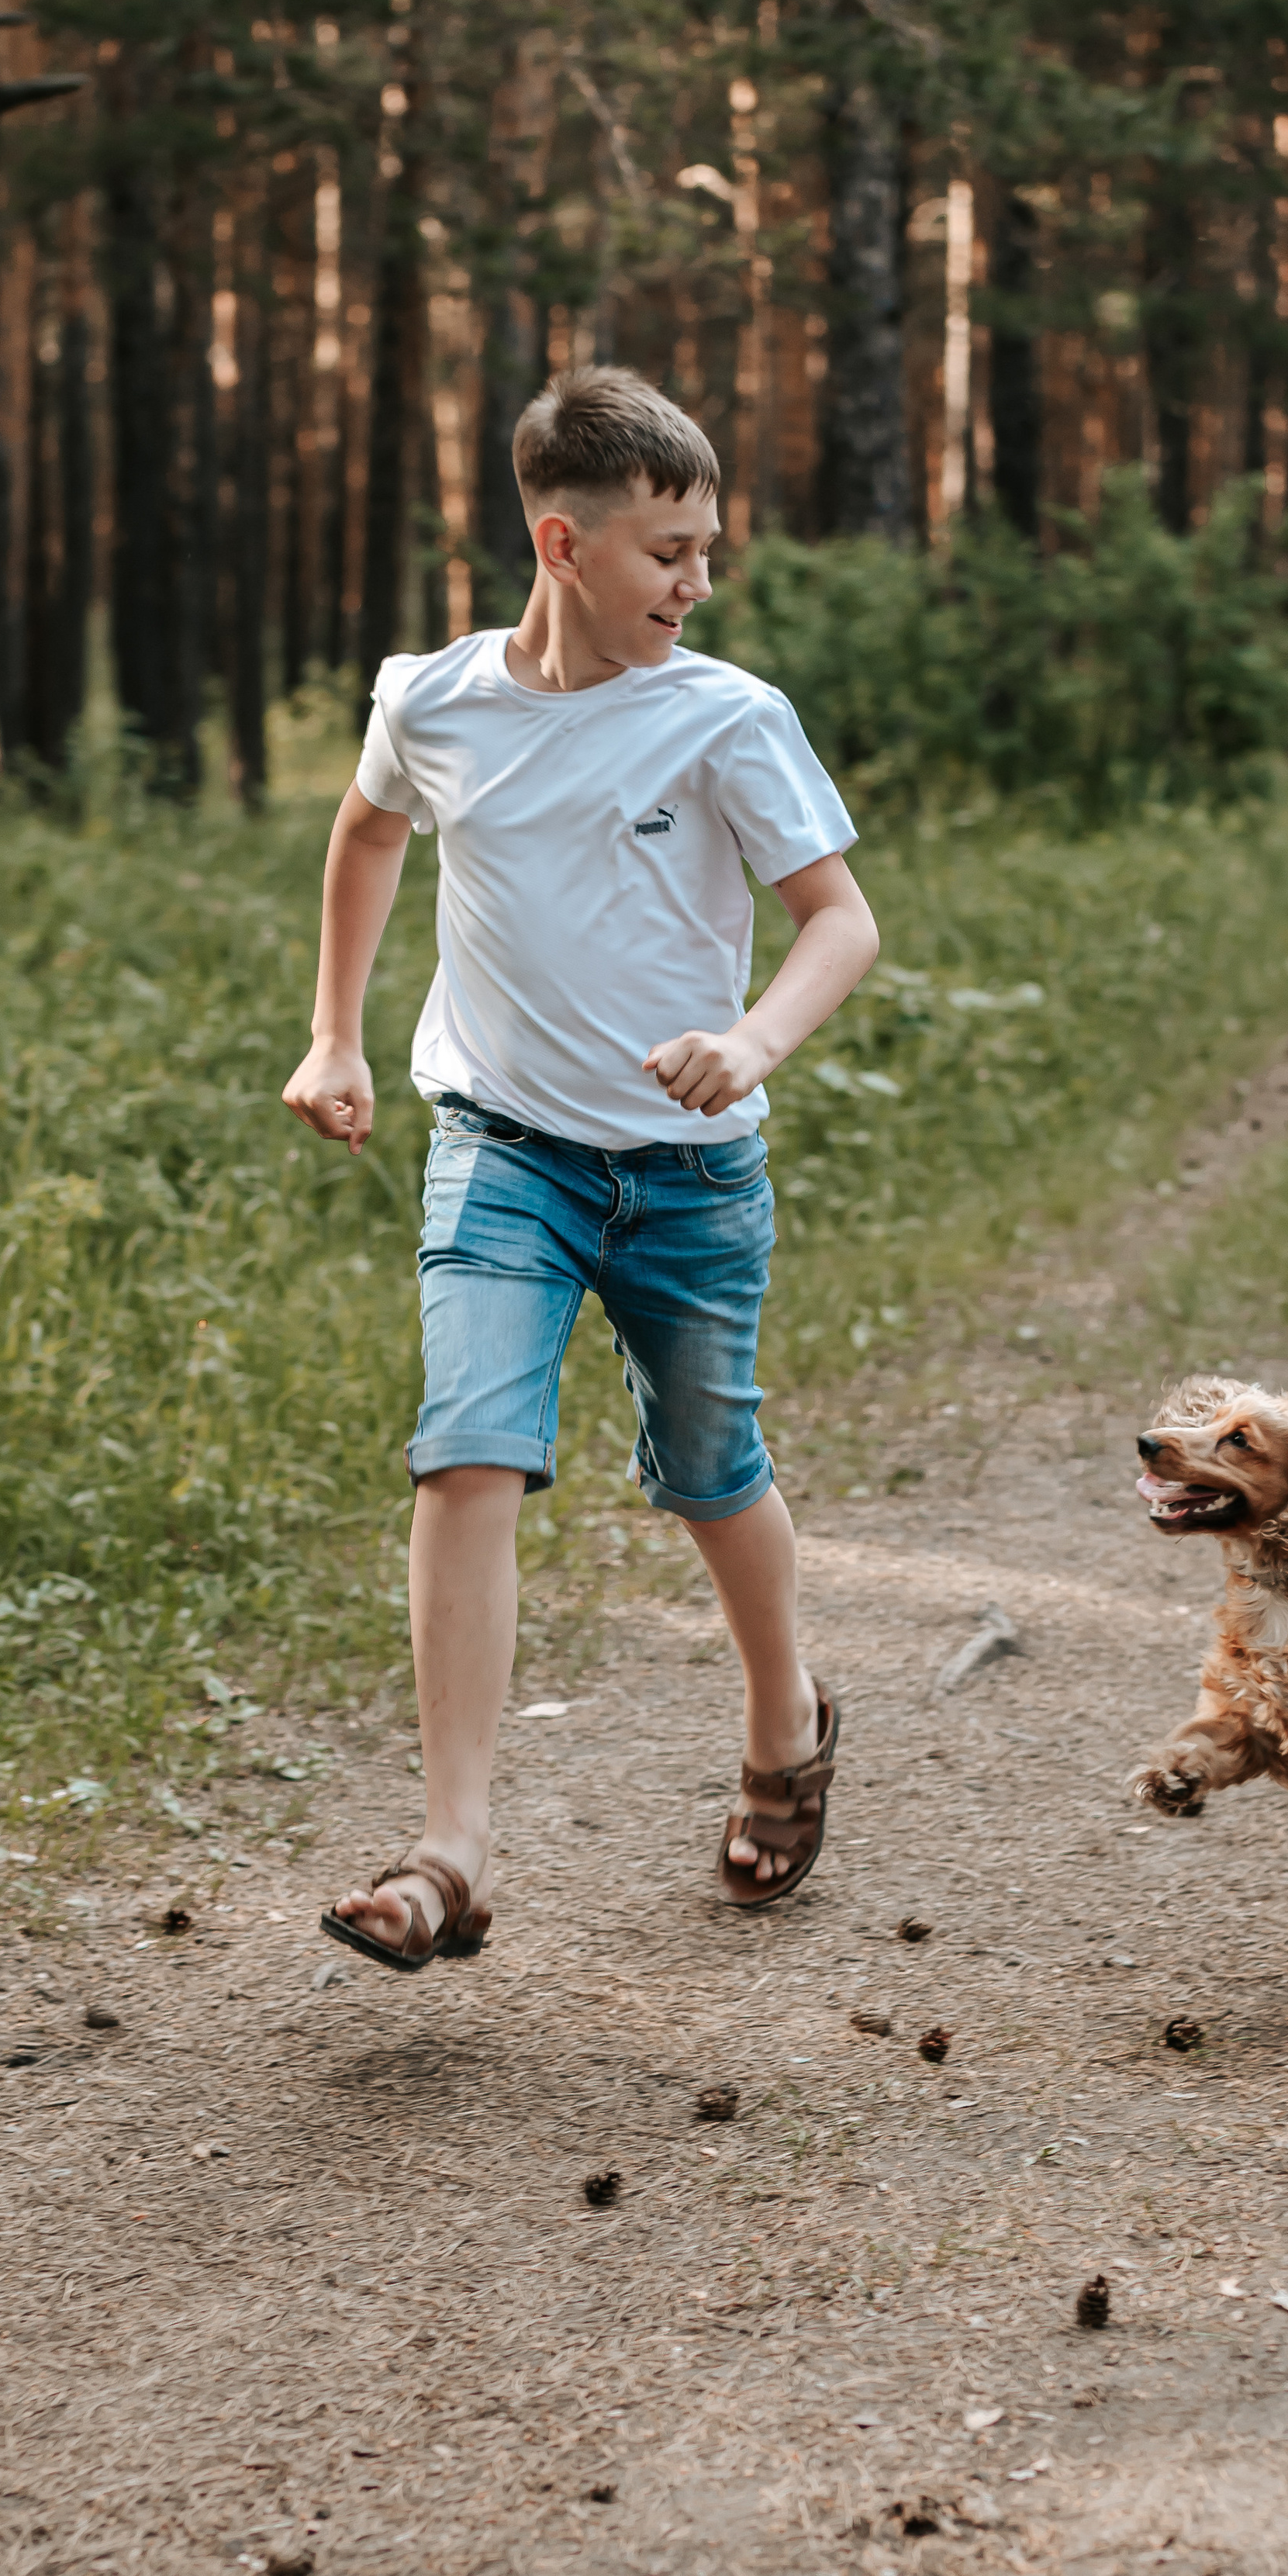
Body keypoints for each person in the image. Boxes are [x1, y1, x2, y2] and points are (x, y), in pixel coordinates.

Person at [281, 365, 877, 1966]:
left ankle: (782, 1713)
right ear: (564, 544)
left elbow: (842, 921)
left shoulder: (724, 717)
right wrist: (335, 1034)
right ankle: (450, 1852)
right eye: (668, 551)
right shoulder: (434, 699)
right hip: (499, 1153)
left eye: (705, 550)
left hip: (686, 1175)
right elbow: (367, 834)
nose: (697, 582)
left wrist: (747, 1046)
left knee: (708, 1470)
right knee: (465, 1449)